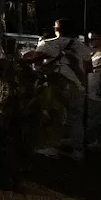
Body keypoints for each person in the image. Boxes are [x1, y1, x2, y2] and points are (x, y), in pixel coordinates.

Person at [27, 19, 94, 159]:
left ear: (56, 29)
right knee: (76, 118)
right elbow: (89, 68)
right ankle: (78, 150)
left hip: (55, 84)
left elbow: (36, 65)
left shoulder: (46, 44)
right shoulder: (81, 46)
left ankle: (53, 146)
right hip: (77, 85)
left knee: (54, 116)